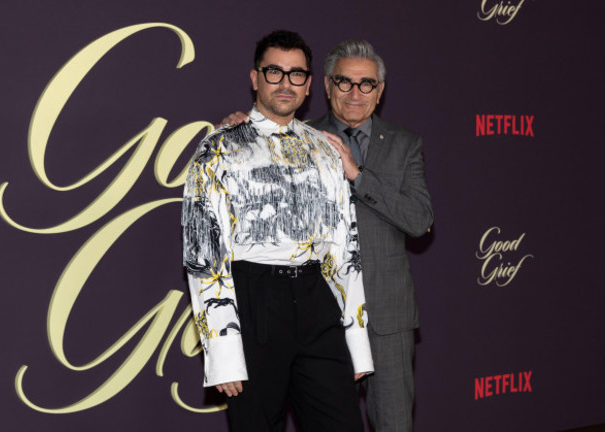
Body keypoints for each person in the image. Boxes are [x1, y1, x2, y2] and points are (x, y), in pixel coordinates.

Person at [222, 39, 433, 432]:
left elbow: (420, 219)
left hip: (385, 318)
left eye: (366, 84)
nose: (355, 93)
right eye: (344, 82)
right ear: (324, 86)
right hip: (316, 316)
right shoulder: (296, 134)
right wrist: (242, 130)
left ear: (380, 90)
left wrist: (357, 175)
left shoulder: (404, 145)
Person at [182, 30, 373, 432]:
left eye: (297, 74)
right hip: (253, 301)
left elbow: (344, 249)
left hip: (317, 300)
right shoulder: (218, 148)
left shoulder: (325, 149)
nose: (286, 83)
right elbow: (205, 256)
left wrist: (357, 344)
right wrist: (223, 350)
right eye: (274, 72)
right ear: (255, 78)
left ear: (308, 86)